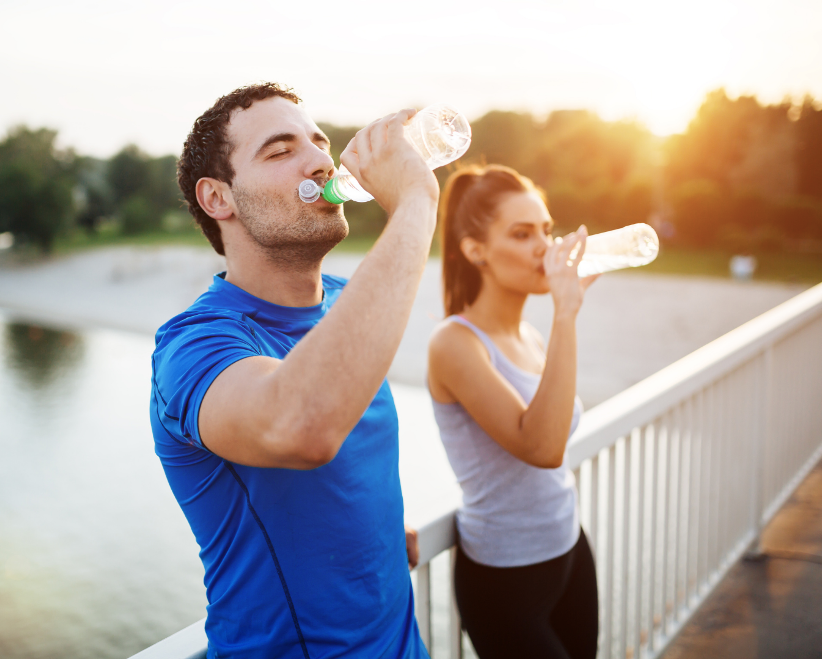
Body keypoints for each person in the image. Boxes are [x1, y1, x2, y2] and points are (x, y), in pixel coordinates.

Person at [150, 83, 438, 658]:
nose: (320, 161)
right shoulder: (192, 347)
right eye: (280, 151)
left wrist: (376, 534)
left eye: (319, 142)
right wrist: (415, 201)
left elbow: (346, 475)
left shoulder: (345, 302)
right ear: (218, 199)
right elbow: (302, 425)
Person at [427, 164, 600, 659]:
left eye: (546, 230)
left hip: (567, 546)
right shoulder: (455, 344)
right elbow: (542, 447)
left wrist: (560, 320)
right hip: (506, 577)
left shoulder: (529, 336)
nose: (545, 247)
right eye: (522, 234)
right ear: (475, 249)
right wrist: (566, 313)